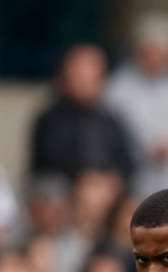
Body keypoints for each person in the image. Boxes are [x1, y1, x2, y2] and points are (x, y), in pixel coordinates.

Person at [104, 14, 168, 197]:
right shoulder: (117, 89)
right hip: (131, 183)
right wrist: (148, 148)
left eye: (164, 53)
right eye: (153, 51)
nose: (157, 58)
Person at [29, 45, 135, 186]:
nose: (86, 83)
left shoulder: (109, 119)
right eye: (80, 77)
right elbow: (55, 161)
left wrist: (112, 180)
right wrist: (87, 179)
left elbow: (127, 161)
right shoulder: (51, 119)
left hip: (107, 191)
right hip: (64, 192)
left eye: (93, 77)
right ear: (66, 77)